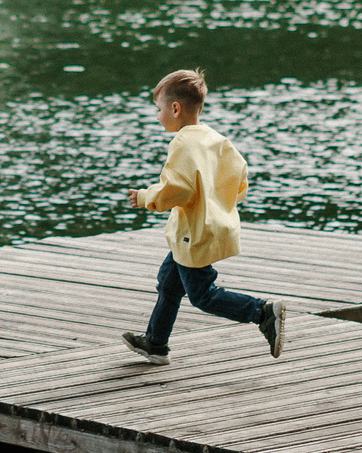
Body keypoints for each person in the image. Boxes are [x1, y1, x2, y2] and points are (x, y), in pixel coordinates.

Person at [121, 69, 286, 363]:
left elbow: (178, 189)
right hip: (204, 227)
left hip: (192, 233)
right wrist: (219, 204)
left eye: (158, 109)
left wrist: (146, 197)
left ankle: (261, 312)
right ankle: (156, 343)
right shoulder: (216, 139)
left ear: (175, 108)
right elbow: (240, 177)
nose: (157, 116)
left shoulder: (183, 143)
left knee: (202, 295)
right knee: (169, 284)